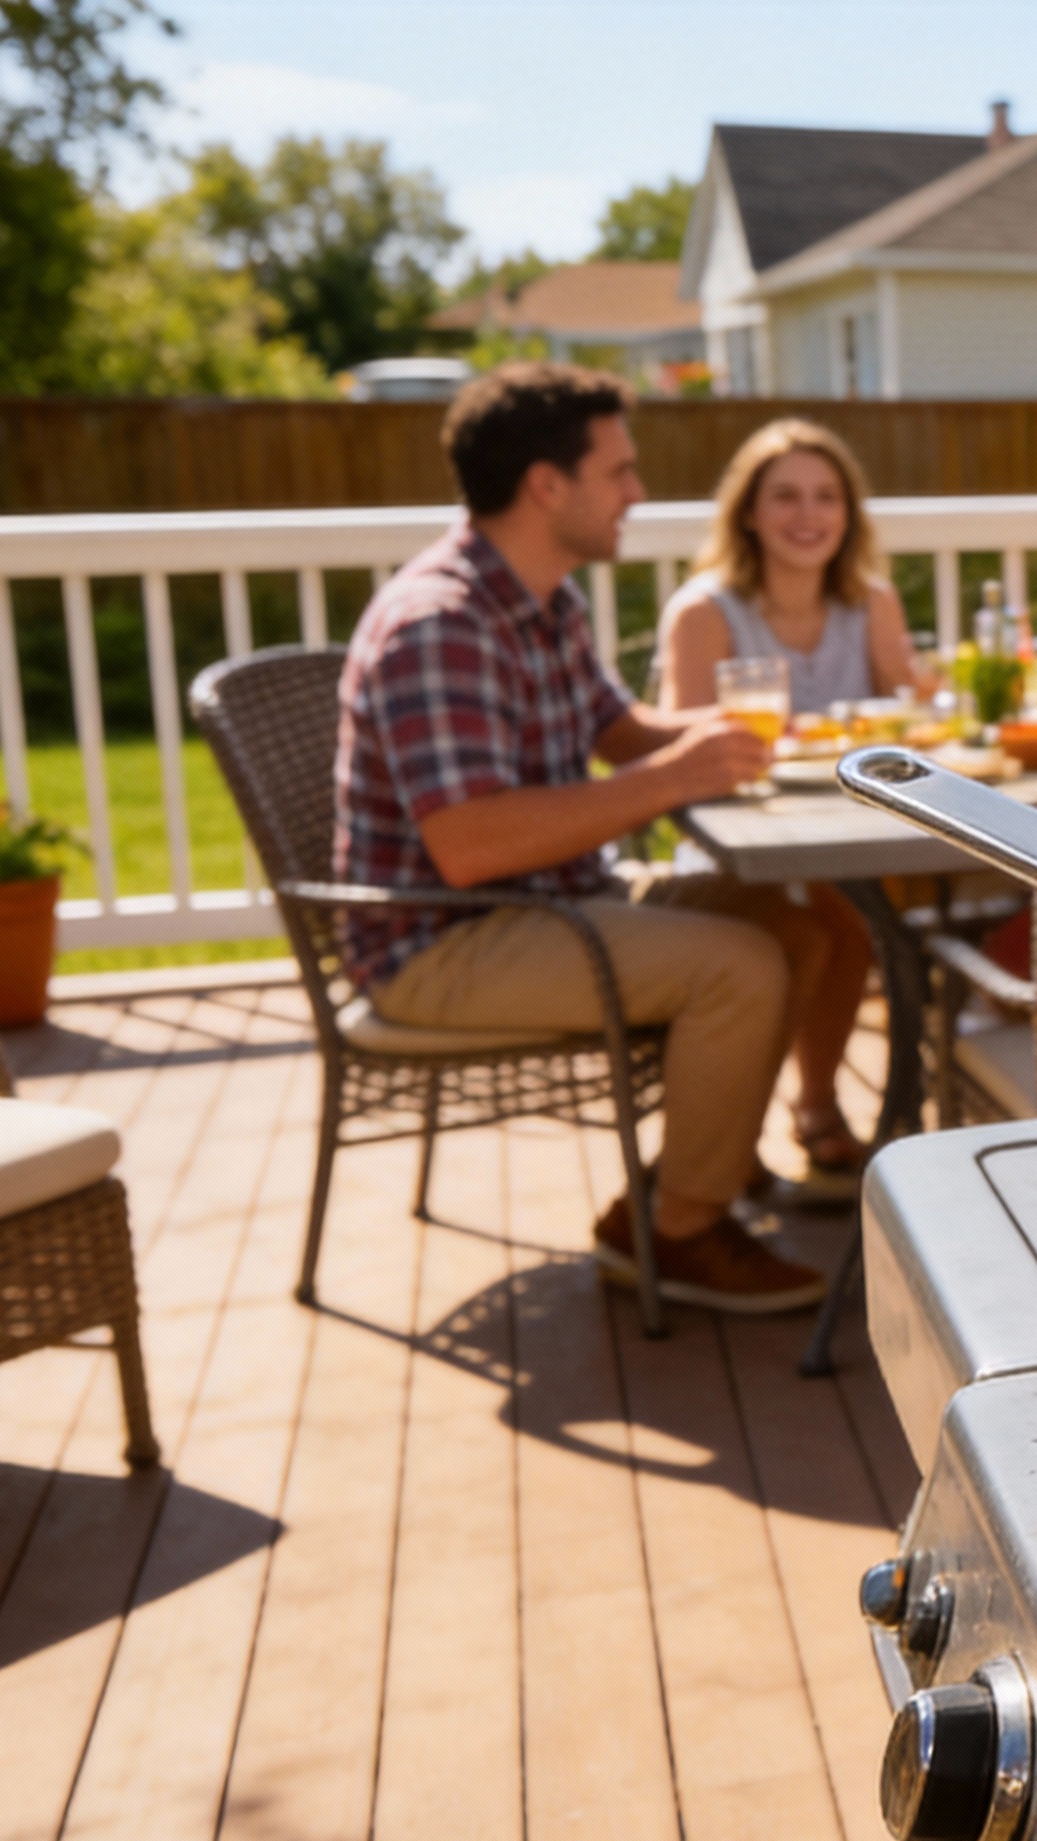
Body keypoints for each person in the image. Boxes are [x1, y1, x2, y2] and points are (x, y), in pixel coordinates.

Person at [333, 362, 833, 1314]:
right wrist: (675, 778)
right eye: (620, 472)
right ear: (547, 485)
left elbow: (622, 732)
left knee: (799, 928)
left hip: (551, 902)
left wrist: (765, 732)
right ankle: (682, 1231)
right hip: (440, 941)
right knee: (740, 964)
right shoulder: (441, 623)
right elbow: (470, 846)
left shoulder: (541, 598)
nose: (637, 493)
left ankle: (678, 1190)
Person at [656, 418, 928, 1200]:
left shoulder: (868, 601)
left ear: (848, 513)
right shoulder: (704, 612)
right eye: (785, 497)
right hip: (741, 841)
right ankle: (764, 1124)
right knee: (837, 918)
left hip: (851, 832)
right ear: (747, 511)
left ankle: (818, 1109)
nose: (808, 515)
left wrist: (924, 695)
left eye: (825, 497)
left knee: (863, 911)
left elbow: (913, 714)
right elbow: (691, 751)